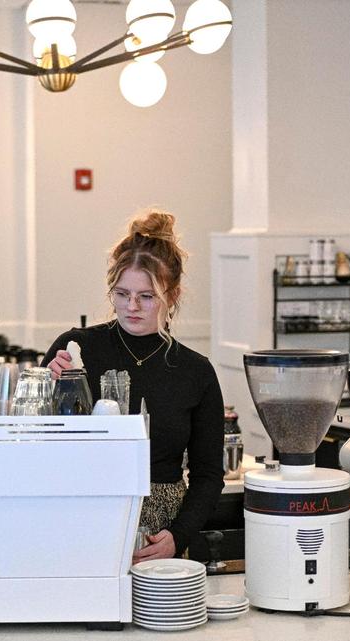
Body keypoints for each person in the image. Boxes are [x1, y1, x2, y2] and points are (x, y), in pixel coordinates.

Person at [43, 208, 225, 563]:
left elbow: (207, 475)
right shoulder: (75, 349)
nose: (131, 307)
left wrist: (178, 535)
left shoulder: (195, 371)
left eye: (146, 296)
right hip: (82, 514)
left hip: (161, 532)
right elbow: (34, 443)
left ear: (172, 295)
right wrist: (44, 388)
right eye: (122, 293)